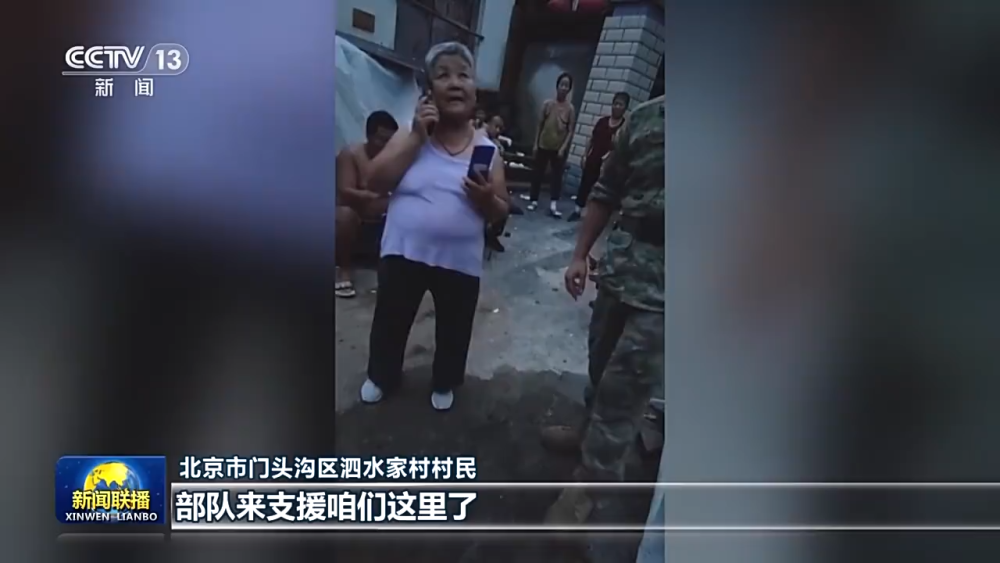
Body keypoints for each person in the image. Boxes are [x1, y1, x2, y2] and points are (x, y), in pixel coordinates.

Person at [359, 41, 510, 411]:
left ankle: (445, 380)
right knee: (391, 321)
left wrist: (486, 199)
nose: (455, 82)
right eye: (443, 75)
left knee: (455, 328)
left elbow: (501, 212)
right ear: (429, 90)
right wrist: (416, 138)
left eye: (463, 75)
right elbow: (374, 181)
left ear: (474, 89)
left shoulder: (487, 149)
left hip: (459, 260)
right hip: (403, 251)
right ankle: (382, 375)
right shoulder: (409, 134)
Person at [542, 95, 665, 525]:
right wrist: (580, 254)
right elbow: (607, 189)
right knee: (600, 365)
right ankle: (586, 435)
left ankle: (586, 493)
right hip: (622, 269)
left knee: (625, 390)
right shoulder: (647, 117)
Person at [335, 110, 399, 297]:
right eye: (381, 140)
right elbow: (345, 191)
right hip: (356, 218)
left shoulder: (395, 157)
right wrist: (375, 196)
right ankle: (344, 270)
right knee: (345, 215)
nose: (385, 146)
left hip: (384, 219)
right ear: (369, 137)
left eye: (390, 141)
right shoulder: (351, 154)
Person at [568, 92, 630, 222]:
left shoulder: (624, 128)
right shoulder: (602, 122)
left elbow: (620, 148)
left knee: (599, 192)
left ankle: (592, 216)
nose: (617, 107)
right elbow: (591, 139)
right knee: (585, 185)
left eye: (620, 105)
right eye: (615, 104)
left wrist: (609, 158)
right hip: (593, 160)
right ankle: (577, 210)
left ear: (625, 108)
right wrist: (585, 155)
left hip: (608, 166)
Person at [527, 72, 576, 217]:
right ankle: (533, 199)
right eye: (562, 85)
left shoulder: (570, 109)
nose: (563, 88)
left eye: (566, 86)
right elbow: (540, 124)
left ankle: (553, 203)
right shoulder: (548, 104)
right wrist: (536, 143)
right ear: (557, 86)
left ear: (569, 89)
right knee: (538, 173)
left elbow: (570, 130)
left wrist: (563, 148)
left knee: (556, 176)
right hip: (543, 143)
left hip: (558, 147)